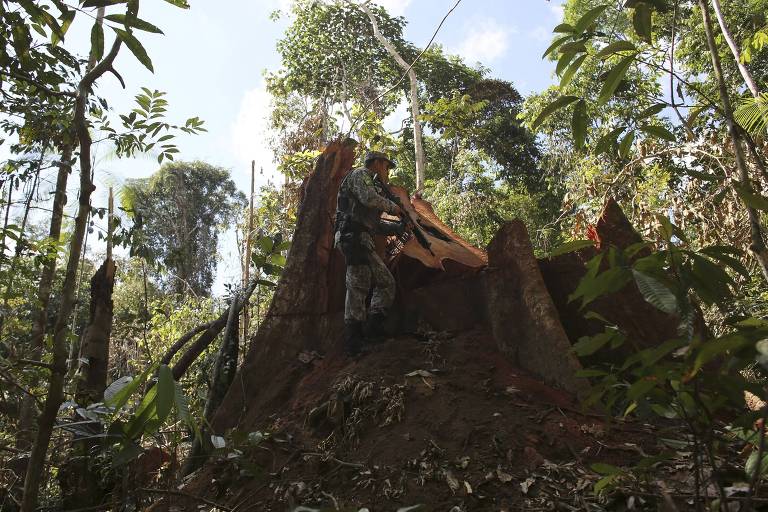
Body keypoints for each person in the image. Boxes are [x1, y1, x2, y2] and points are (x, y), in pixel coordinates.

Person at [334, 151, 406, 356]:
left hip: (362, 238)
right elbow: (368, 198)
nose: (387, 171)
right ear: (376, 163)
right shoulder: (360, 175)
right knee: (358, 285)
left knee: (383, 282)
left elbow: (373, 225)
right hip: (352, 237)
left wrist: (398, 228)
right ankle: (353, 343)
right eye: (386, 166)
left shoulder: (372, 186)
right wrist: (394, 207)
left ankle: (373, 329)